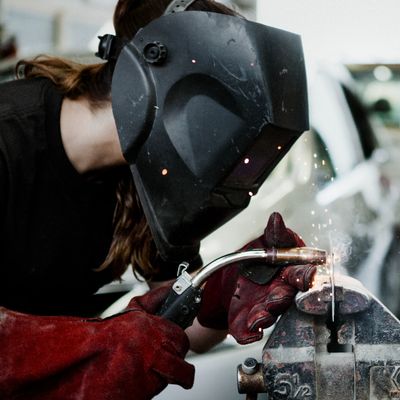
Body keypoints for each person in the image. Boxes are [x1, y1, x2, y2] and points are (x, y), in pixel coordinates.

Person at [0, 0, 315, 399]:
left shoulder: (149, 174)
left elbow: (187, 332)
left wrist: (224, 292)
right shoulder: (9, 139)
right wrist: (94, 346)